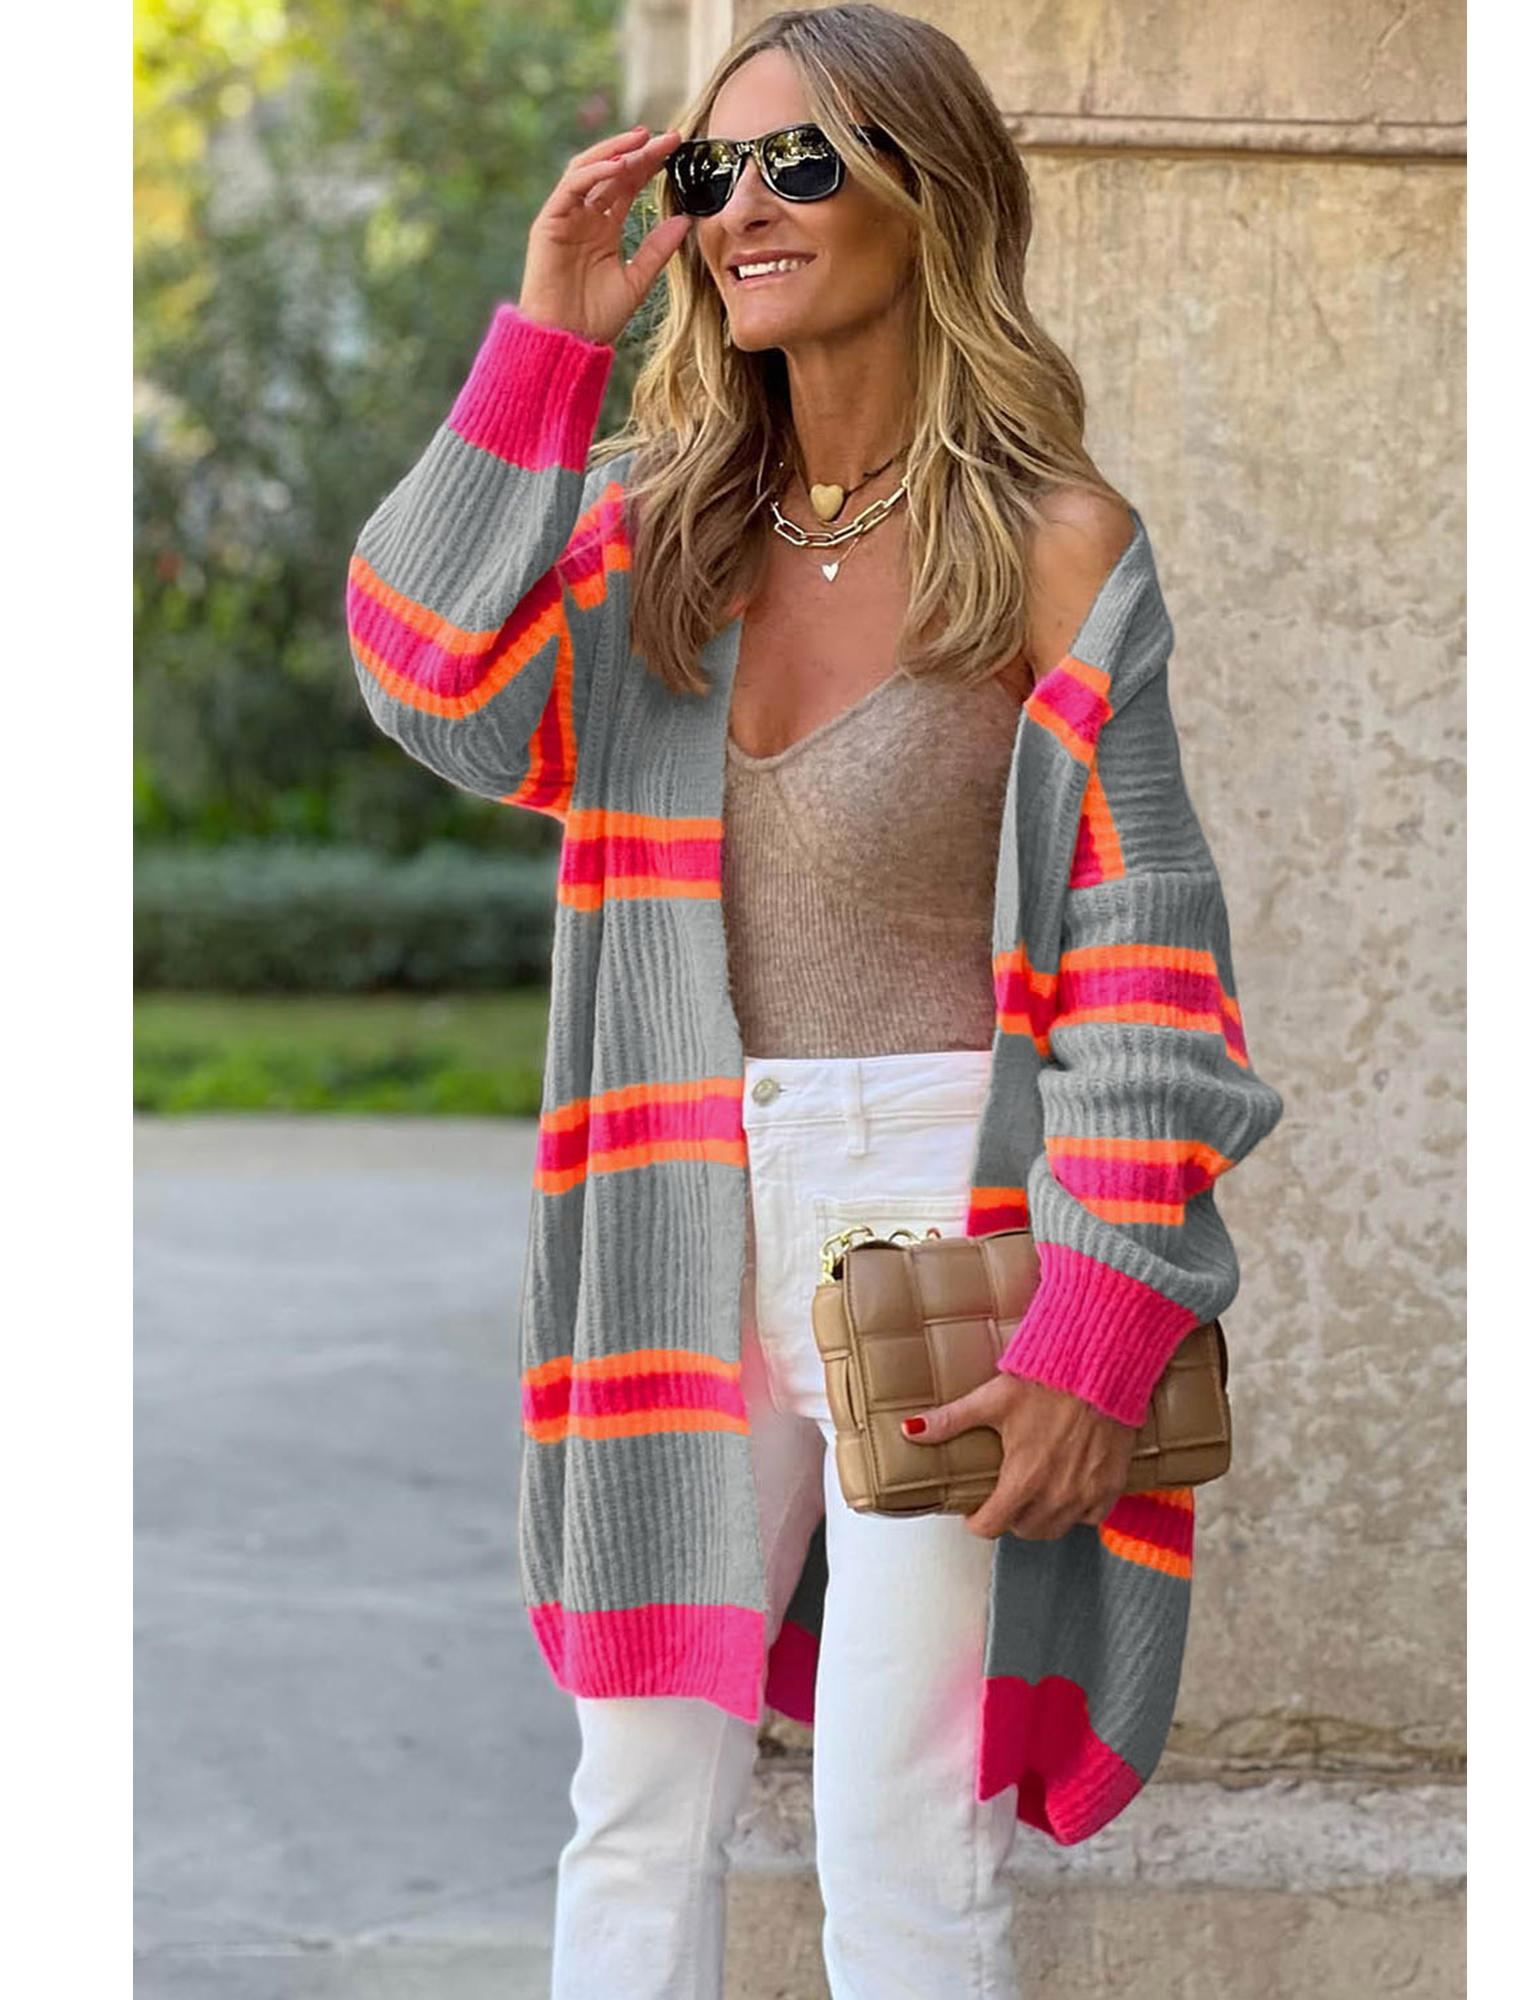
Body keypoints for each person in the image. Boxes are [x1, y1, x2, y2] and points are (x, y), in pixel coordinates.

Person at [344, 7, 1286, 1996]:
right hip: (677, 1198)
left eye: (800, 162)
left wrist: (1100, 1320)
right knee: (634, 1804)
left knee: (896, 1829)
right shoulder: (647, 536)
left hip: (941, 1221)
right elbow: (427, 676)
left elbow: (1147, 964)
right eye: (713, 170)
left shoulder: (1050, 547)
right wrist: (546, 343)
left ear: (924, 195)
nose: (743, 208)